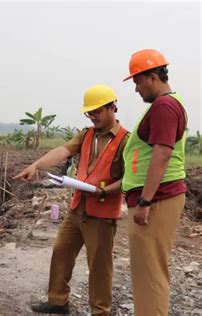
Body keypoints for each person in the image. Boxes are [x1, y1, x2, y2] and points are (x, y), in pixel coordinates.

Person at [14, 84, 129, 315]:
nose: (93, 116)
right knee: (61, 251)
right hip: (78, 209)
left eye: (97, 111)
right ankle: (58, 301)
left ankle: (101, 311)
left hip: (102, 214)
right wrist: (36, 165)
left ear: (112, 108)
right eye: (90, 113)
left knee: (99, 267)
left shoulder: (126, 140)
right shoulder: (86, 135)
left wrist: (104, 192)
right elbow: (63, 151)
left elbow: (131, 179)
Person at [122, 49, 187, 315]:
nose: (136, 89)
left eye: (138, 81)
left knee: (150, 273)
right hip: (158, 196)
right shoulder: (167, 105)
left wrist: (145, 201)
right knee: (147, 271)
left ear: (152, 77)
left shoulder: (164, 106)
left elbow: (162, 153)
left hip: (157, 198)